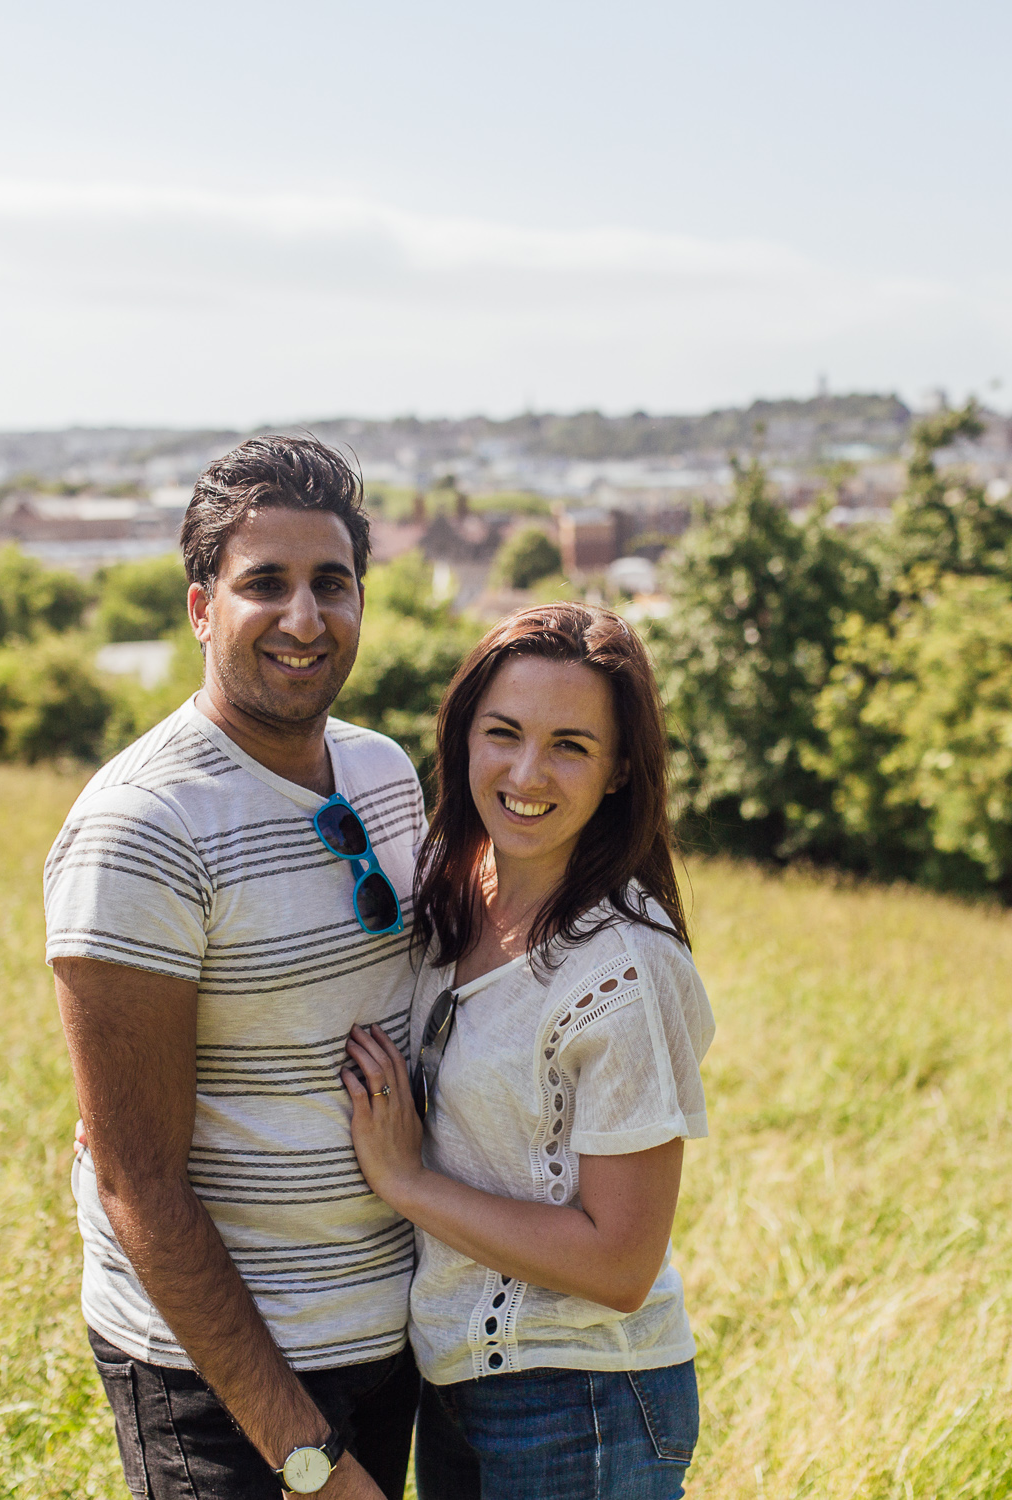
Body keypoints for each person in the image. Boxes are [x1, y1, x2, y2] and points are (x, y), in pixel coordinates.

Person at [45, 436, 424, 1499]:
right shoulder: (141, 828)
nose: (305, 619)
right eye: (265, 584)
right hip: (224, 1380)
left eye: (332, 584)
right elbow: (140, 1186)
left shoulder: (389, 775)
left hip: (383, 1333)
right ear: (202, 607)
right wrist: (306, 1457)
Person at [338, 604, 714, 1500]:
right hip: (452, 1376)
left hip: (583, 1397)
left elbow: (620, 1266)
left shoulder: (625, 967)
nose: (526, 773)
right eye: (502, 733)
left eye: (570, 746)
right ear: (463, 735)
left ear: (621, 769)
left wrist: (407, 1183)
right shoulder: (448, 889)